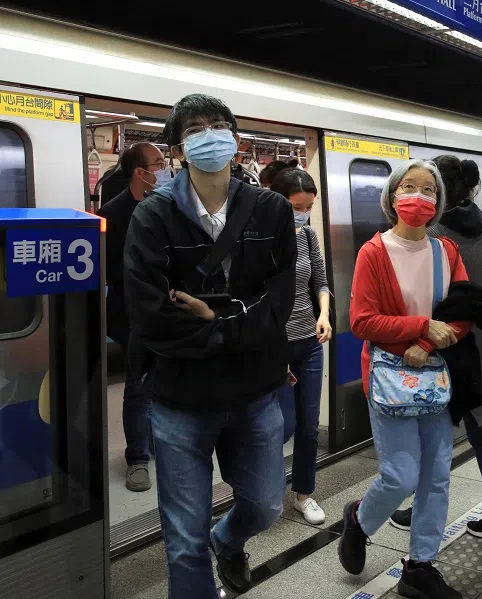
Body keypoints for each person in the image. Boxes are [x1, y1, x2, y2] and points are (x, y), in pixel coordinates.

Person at [124, 94, 295, 598]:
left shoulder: (272, 211)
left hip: (254, 392)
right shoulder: (153, 218)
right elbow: (150, 314)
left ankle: (229, 539)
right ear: (179, 148)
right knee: (182, 537)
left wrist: (215, 320)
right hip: (180, 398)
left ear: (237, 141)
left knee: (265, 505)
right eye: (196, 129)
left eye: (219, 125)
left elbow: (280, 301)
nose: (210, 135)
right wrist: (240, 324)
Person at [339, 159, 469, 599]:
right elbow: (361, 320)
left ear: (438, 201)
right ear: (393, 196)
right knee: (400, 475)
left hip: (433, 376)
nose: (419, 196)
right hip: (390, 379)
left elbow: (463, 312)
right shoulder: (373, 252)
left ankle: (420, 565)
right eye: (409, 187)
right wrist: (417, 328)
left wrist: (430, 344)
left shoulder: (446, 251)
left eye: (428, 189)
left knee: (436, 474)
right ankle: (359, 520)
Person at [385, 155, 482, 543]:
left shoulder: (435, 231)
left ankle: (420, 510)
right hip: (480, 339)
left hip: (446, 341)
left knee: (431, 432)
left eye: (426, 188)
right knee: (481, 430)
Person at [97, 142, 170, 493]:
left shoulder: (172, 207)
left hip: (170, 310)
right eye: (158, 164)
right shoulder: (111, 215)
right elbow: (109, 272)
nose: (166, 168)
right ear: (141, 173)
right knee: (138, 386)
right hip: (132, 314)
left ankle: (157, 441)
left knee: (165, 381)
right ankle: (137, 457)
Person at [270, 168, 332, 524]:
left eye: (308, 206)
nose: (303, 213)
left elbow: (320, 282)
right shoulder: (261, 238)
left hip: (309, 342)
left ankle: (303, 493)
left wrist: (323, 314)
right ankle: (267, 488)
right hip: (274, 347)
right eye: (297, 206)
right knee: (282, 426)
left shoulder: (307, 235)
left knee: (309, 426)